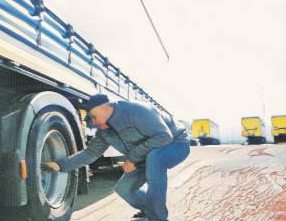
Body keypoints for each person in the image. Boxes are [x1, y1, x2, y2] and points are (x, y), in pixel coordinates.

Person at [44, 94, 190, 221]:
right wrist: (61, 165)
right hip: (145, 154)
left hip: (176, 144)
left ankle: (158, 218)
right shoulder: (104, 132)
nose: (93, 122)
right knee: (124, 188)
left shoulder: (137, 111)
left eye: (94, 116)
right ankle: (149, 209)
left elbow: (164, 137)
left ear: (106, 108)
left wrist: (132, 158)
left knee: (155, 158)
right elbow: (90, 154)